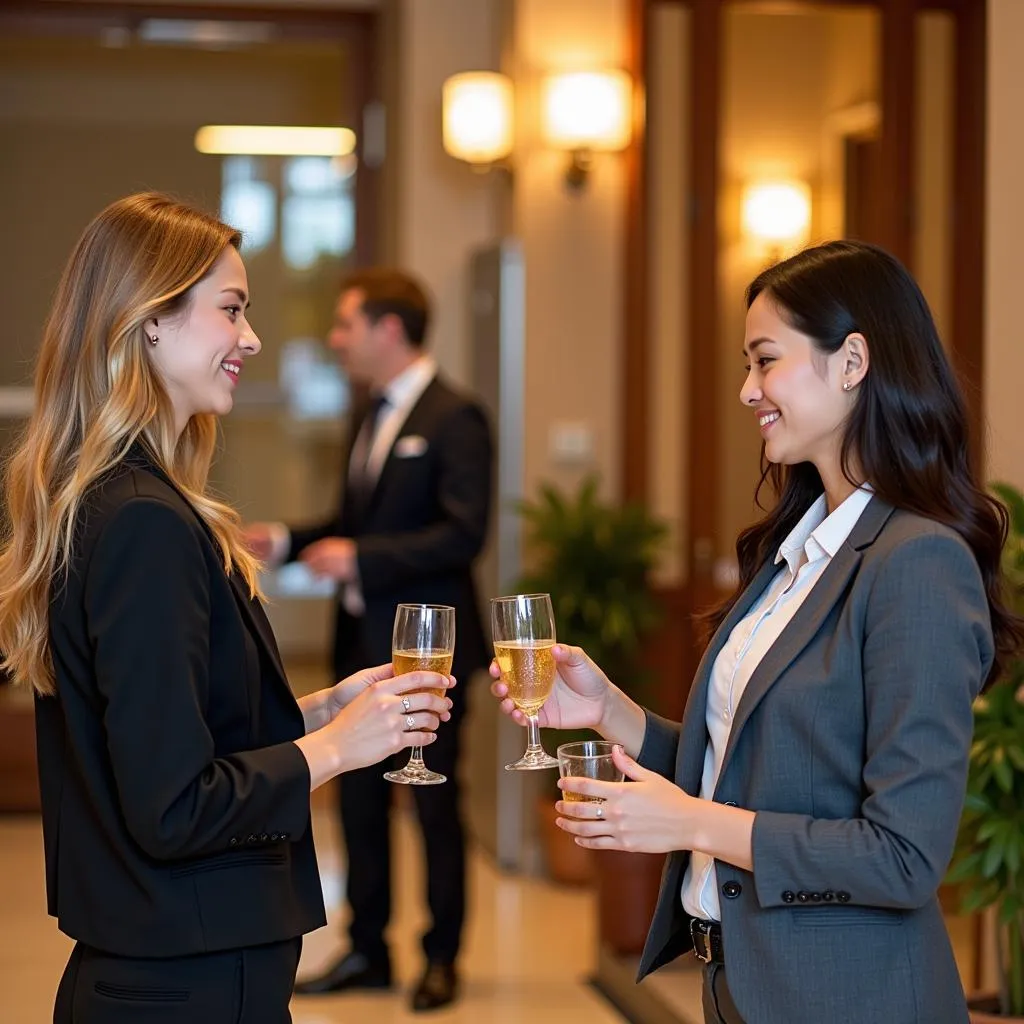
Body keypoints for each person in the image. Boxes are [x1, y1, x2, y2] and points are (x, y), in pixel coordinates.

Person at [490, 240, 1024, 1023]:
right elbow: (762, 770)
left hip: (851, 1000)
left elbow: (904, 857)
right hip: (743, 985)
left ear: (852, 361)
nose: (747, 390)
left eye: (764, 361)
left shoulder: (917, 564)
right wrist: (616, 715)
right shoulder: (798, 549)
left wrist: (687, 821)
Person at [0, 193, 454, 1024]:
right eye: (232, 310)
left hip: (172, 972)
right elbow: (174, 805)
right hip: (181, 984)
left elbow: (171, 733)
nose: (251, 338)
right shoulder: (143, 521)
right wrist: (333, 752)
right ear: (150, 322)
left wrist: (321, 709)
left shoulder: (126, 501)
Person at [245, 268, 492, 1012]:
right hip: (363, 645)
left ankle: (441, 955)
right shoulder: (368, 413)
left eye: (347, 324)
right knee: (357, 802)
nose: (335, 338)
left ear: (390, 330)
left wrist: (362, 558)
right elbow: (355, 519)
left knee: (433, 802)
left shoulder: (457, 416)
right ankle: (367, 948)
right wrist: (287, 539)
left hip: (431, 651)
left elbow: (463, 532)